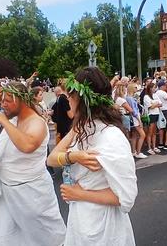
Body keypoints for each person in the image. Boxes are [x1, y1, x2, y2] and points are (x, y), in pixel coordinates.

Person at [47, 67, 137, 245]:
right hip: (81, 219)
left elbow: (126, 197)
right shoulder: (81, 129)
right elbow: (51, 159)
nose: (68, 102)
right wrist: (74, 156)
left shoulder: (112, 137)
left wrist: (80, 194)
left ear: (81, 100)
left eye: (70, 97)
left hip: (104, 226)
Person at [0, 82, 66, 246]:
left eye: (6, 100)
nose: (2, 104)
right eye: (0, 101)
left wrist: (4, 122)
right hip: (8, 192)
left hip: (32, 195)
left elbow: (27, 145)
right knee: (6, 238)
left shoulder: (37, 123)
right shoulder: (14, 121)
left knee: (47, 239)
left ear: (20, 100)